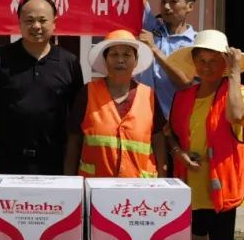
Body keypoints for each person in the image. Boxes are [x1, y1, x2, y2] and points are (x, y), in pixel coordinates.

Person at [0, 0, 84, 176]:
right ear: (19, 22)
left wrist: (72, 164)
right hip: (7, 160)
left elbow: (76, 119)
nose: (36, 26)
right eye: (30, 20)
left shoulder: (69, 62)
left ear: (54, 22)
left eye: (43, 20)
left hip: (55, 161)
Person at [163, 31, 244, 240]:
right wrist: (178, 153)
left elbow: (237, 115)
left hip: (222, 186)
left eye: (214, 61)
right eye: (202, 61)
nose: (207, 67)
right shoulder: (183, 96)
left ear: (225, 64)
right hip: (189, 183)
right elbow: (170, 134)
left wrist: (234, 73)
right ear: (194, 63)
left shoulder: (239, 92)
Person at [64, 30, 168, 178]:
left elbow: (158, 141)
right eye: (114, 54)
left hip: (140, 187)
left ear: (136, 60)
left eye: (127, 55)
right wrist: (70, 181)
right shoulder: (87, 92)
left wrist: (162, 181)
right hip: (96, 186)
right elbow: (74, 140)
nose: (120, 60)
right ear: (105, 59)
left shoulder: (149, 95)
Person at [137, 0, 199, 118]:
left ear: (189, 6)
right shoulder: (152, 28)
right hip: (144, 118)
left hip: (177, 120)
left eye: (173, 1)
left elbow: (185, 82)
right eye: (163, 0)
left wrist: (154, 49)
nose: (166, 6)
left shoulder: (196, 43)